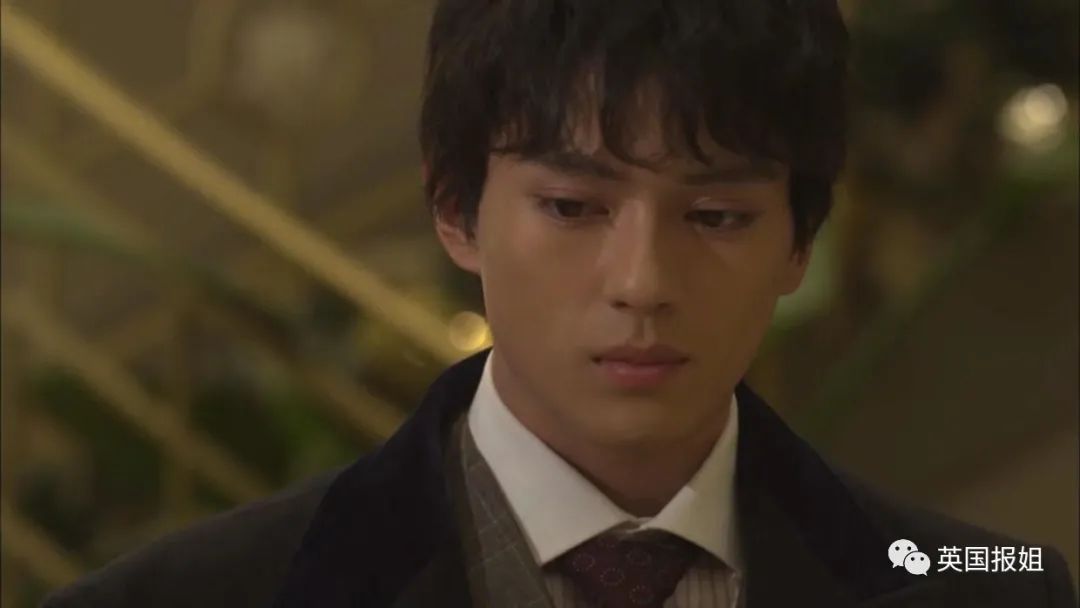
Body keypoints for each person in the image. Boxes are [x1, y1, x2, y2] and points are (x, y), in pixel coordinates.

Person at [44, 1, 1076, 607]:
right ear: (456, 209)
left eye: (716, 216)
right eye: (573, 207)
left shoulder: (982, 589)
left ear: (800, 241)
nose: (643, 281)